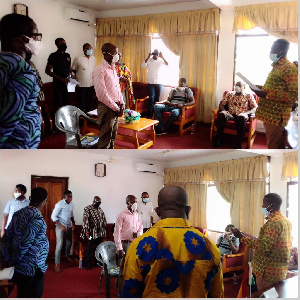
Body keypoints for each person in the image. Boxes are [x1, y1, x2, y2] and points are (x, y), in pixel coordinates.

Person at [120, 186, 224, 298]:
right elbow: (217, 295)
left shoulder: (138, 247)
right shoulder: (211, 248)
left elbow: (129, 293)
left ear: (158, 211)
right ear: (188, 210)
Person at [231, 193, 292, 291]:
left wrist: (241, 237)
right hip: (279, 271)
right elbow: (270, 243)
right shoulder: (285, 221)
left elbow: (264, 247)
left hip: (267, 272)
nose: (262, 206)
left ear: (271, 205)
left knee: (266, 295)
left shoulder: (273, 223)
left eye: (264, 204)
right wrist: (244, 236)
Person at [0, 13, 43, 149]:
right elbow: (8, 118)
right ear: (23, 39)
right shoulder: (23, 71)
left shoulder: (3, 64)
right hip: (16, 147)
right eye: (36, 37)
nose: (38, 41)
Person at [1, 187, 49, 298]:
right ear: (45, 201)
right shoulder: (36, 218)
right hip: (31, 267)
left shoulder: (18, 214)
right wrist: (16, 260)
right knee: (31, 295)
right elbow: (25, 243)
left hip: (19, 266)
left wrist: (7, 260)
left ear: (30, 198)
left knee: (22, 294)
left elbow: (7, 236)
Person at [251, 39, 298, 149]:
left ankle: (275, 166)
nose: (271, 51)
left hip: (277, 117)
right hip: (269, 115)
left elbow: (293, 95)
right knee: (274, 145)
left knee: (274, 147)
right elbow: (275, 88)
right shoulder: (277, 66)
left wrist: (266, 94)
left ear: (282, 51)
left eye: (273, 49)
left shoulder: (290, 69)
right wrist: (259, 88)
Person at [93, 43, 125, 149]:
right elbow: (102, 95)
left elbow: (117, 88)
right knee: (104, 141)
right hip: (107, 108)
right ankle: (102, 162)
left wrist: (122, 103)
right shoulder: (100, 70)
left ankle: (110, 159)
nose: (117, 55)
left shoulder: (112, 68)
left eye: (117, 52)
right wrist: (116, 108)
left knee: (112, 139)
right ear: (106, 54)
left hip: (115, 107)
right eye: (114, 53)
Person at [214, 81, 257, 149]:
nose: (237, 87)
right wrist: (225, 111)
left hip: (242, 115)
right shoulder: (229, 94)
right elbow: (222, 104)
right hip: (230, 114)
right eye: (236, 85)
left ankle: (238, 144)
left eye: (239, 86)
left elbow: (255, 108)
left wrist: (246, 113)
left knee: (241, 119)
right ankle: (219, 139)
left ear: (243, 87)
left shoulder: (248, 95)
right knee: (221, 115)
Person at [114, 195, 143, 291]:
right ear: (127, 203)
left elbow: (140, 227)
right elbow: (117, 233)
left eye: (136, 202)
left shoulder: (136, 214)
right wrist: (119, 248)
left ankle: (130, 287)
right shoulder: (121, 215)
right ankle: (120, 290)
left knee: (133, 266)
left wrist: (138, 234)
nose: (135, 204)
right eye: (133, 202)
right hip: (124, 244)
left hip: (134, 243)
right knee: (122, 267)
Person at [45, 37, 72, 124]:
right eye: (61, 43)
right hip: (58, 84)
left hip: (67, 84)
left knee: (67, 103)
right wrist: (61, 79)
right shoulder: (53, 56)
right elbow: (47, 71)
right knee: (58, 104)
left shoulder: (67, 55)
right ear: (57, 45)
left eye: (65, 43)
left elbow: (69, 68)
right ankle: (55, 125)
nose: (64, 45)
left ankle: (65, 123)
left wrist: (72, 75)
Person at [51, 190, 75, 273]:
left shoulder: (72, 204)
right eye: (69, 196)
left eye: (71, 196)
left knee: (69, 241)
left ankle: (66, 255)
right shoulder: (59, 204)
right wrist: (61, 226)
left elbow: (71, 214)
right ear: (64, 197)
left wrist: (73, 223)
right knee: (59, 245)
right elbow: (53, 217)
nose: (70, 198)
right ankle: (57, 264)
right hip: (60, 226)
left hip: (68, 226)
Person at [80, 196, 107, 270]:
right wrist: (86, 231)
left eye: (100, 203)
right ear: (94, 201)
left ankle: (98, 262)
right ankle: (88, 264)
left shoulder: (100, 209)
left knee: (99, 247)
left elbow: (103, 219)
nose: (99, 204)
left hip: (100, 232)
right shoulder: (88, 208)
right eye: (98, 203)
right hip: (91, 232)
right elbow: (85, 220)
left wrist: (104, 227)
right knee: (90, 247)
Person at [141, 49, 168, 118]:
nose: (155, 54)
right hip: (151, 82)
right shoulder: (149, 60)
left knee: (157, 99)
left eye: (156, 53)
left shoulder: (160, 60)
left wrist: (162, 57)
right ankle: (149, 115)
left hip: (159, 83)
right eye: (154, 53)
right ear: (152, 53)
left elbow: (167, 64)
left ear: (158, 53)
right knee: (151, 98)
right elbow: (142, 66)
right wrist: (148, 57)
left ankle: (155, 115)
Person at [71, 43, 96, 112]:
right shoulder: (78, 59)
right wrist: (80, 74)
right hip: (82, 85)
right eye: (88, 48)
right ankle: (80, 120)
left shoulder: (93, 58)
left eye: (91, 48)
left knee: (89, 104)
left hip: (91, 84)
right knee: (81, 104)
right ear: (83, 50)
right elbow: (72, 69)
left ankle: (88, 120)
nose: (90, 50)